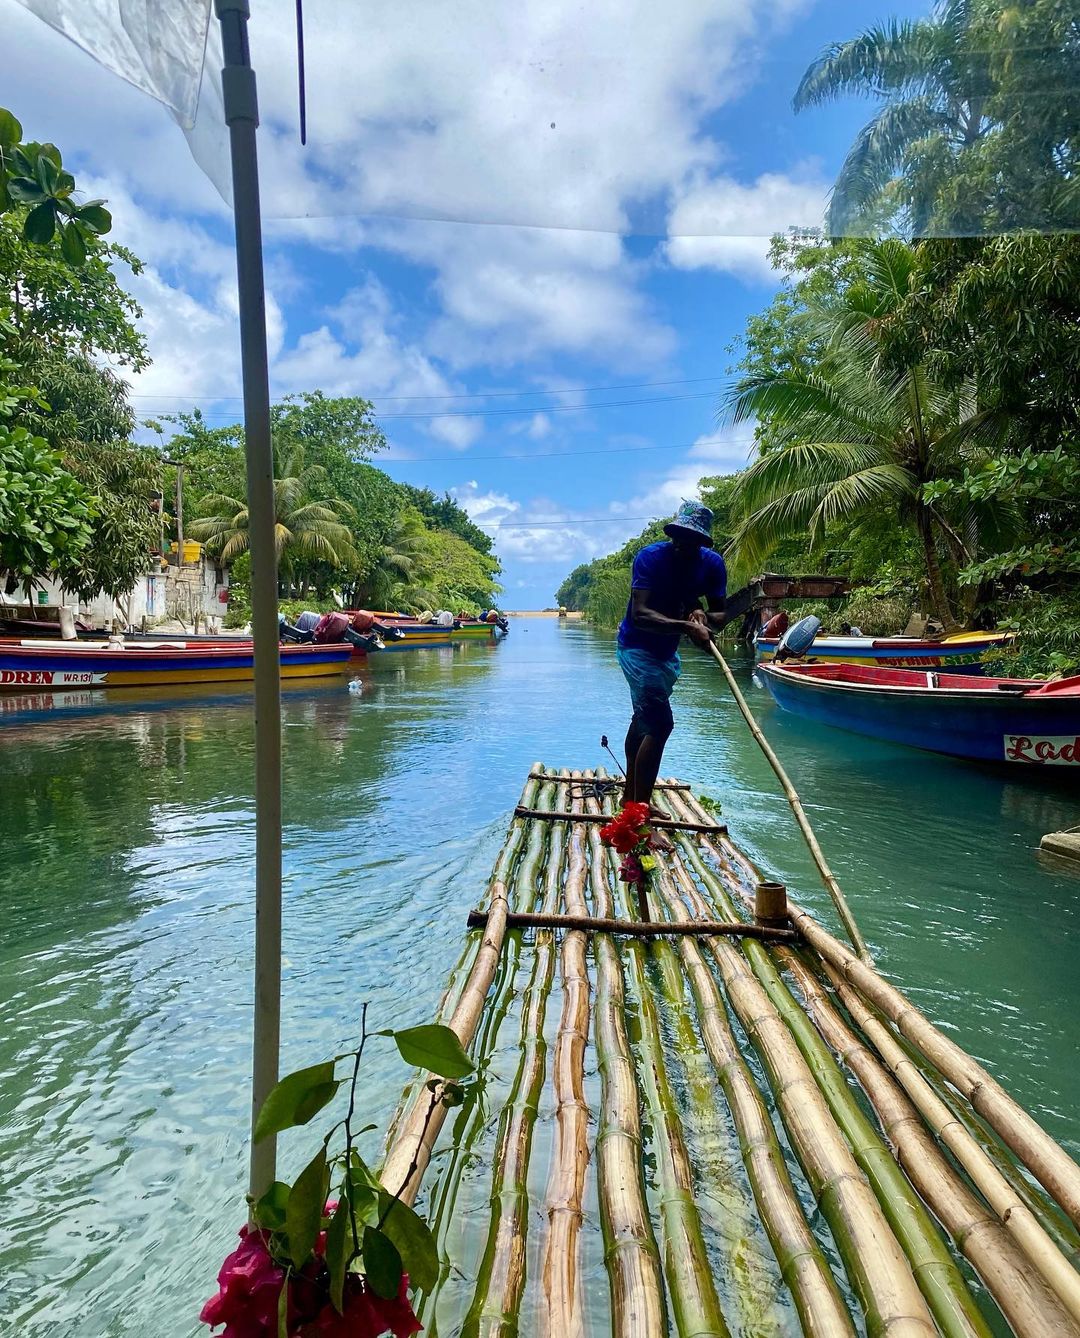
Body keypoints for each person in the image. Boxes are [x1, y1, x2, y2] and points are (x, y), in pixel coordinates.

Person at [616, 501, 726, 810]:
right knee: (661, 724)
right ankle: (640, 813)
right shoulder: (650, 558)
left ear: (701, 542)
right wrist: (686, 627)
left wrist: (702, 616)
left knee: (644, 719)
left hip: (666, 654)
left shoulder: (712, 564)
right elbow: (640, 615)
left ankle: (629, 798)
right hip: (636, 649)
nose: (681, 544)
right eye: (678, 536)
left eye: (690, 539)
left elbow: (720, 613)